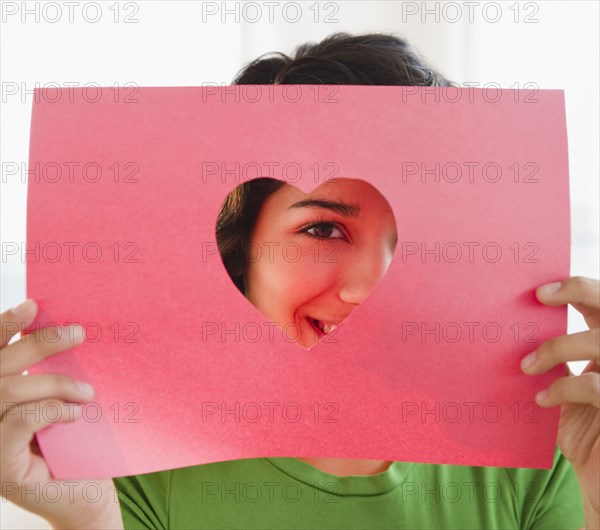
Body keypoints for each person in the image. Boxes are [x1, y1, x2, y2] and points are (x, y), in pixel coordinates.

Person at [0, 32, 597, 529]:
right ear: (237, 257)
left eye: (423, 243)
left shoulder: (546, 465)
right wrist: (88, 520)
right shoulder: (130, 467)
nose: (370, 290)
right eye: (324, 232)